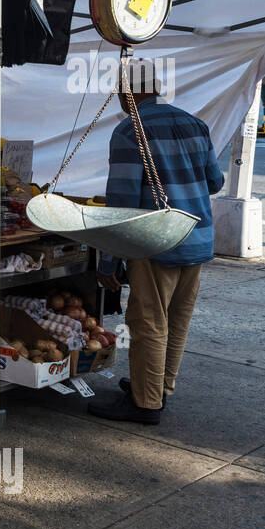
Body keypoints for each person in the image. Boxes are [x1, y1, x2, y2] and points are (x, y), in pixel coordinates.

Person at [88, 83, 224, 425]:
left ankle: (145, 404)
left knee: (147, 322)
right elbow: (215, 182)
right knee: (177, 319)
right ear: (157, 89)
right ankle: (158, 387)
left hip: (156, 242)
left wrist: (108, 260)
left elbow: (122, 203)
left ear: (125, 92)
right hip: (196, 236)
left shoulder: (128, 129)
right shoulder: (195, 123)